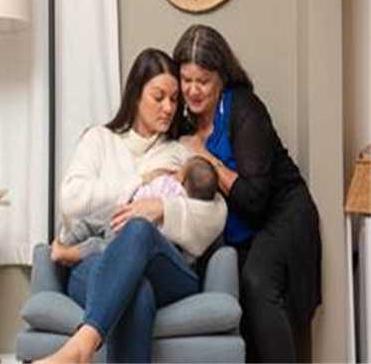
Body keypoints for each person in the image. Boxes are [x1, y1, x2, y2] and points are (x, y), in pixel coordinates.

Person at [33, 48, 227, 364]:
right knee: (136, 292)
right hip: (97, 261)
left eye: (174, 99)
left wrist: (162, 208)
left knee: (138, 228)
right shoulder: (99, 140)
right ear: (136, 95)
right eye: (158, 97)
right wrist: (137, 182)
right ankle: (82, 349)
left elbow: (217, 214)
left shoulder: (180, 153)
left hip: (168, 268)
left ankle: (80, 346)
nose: (168, 108)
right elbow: (72, 198)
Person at [172, 24, 321, 362]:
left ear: (222, 78)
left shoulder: (244, 108)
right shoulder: (184, 121)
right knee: (229, 296)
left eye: (203, 81)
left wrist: (205, 157)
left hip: (281, 212)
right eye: (186, 80)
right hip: (236, 230)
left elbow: (255, 199)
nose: (193, 90)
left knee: (256, 281)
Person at [53, 155, 218, 264]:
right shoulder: (189, 207)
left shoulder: (169, 185)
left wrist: (146, 181)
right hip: (131, 231)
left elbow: (143, 195)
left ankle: (65, 244)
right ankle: (67, 251)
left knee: (92, 224)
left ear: (181, 178)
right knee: (102, 246)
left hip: (125, 219)